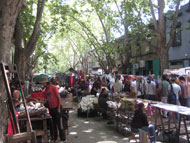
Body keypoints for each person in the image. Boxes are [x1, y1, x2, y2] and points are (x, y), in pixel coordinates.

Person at [41, 77, 66, 143]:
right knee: (53, 125)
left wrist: (58, 109)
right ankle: (54, 139)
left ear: (46, 82)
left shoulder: (54, 87)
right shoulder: (45, 90)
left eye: (43, 82)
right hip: (51, 109)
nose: (42, 84)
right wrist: (43, 101)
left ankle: (63, 139)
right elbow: (46, 99)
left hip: (57, 108)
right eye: (42, 83)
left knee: (60, 125)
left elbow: (58, 98)